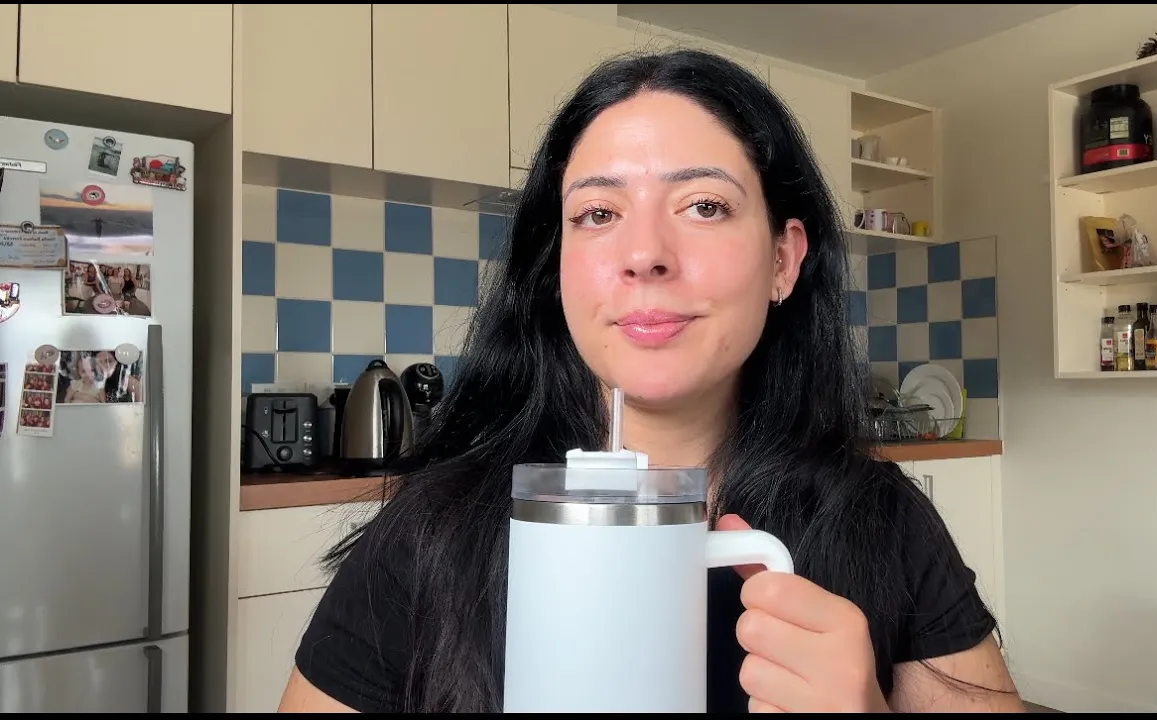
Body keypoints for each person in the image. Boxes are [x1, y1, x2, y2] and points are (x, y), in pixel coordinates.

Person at [280, 48, 1024, 714]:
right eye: (598, 212)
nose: (644, 254)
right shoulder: (432, 533)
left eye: (704, 205)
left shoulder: (883, 524)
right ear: (558, 270)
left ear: (783, 260)